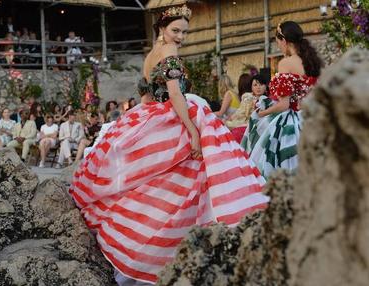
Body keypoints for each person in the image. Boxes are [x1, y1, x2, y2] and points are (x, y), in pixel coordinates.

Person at [69, 5, 269, 285]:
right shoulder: (169, 52)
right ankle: (183, 247)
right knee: (192, 180)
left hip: (153, 115)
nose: (181, 37)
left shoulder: (150, 55)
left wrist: (135, 124)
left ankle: (145, 242)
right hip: (176, 116)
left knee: (157, 185)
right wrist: (193, 131)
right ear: (161, 28)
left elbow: (145, 98)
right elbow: (175, 95)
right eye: (176, 30)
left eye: (185, 32)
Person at [244, 21, 322, 178]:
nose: (278, 45)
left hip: (293, 123)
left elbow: (284, 105)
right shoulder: (312, 61)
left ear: (284, 40)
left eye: (278, 41)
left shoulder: (286, 63)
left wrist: (262, 113)